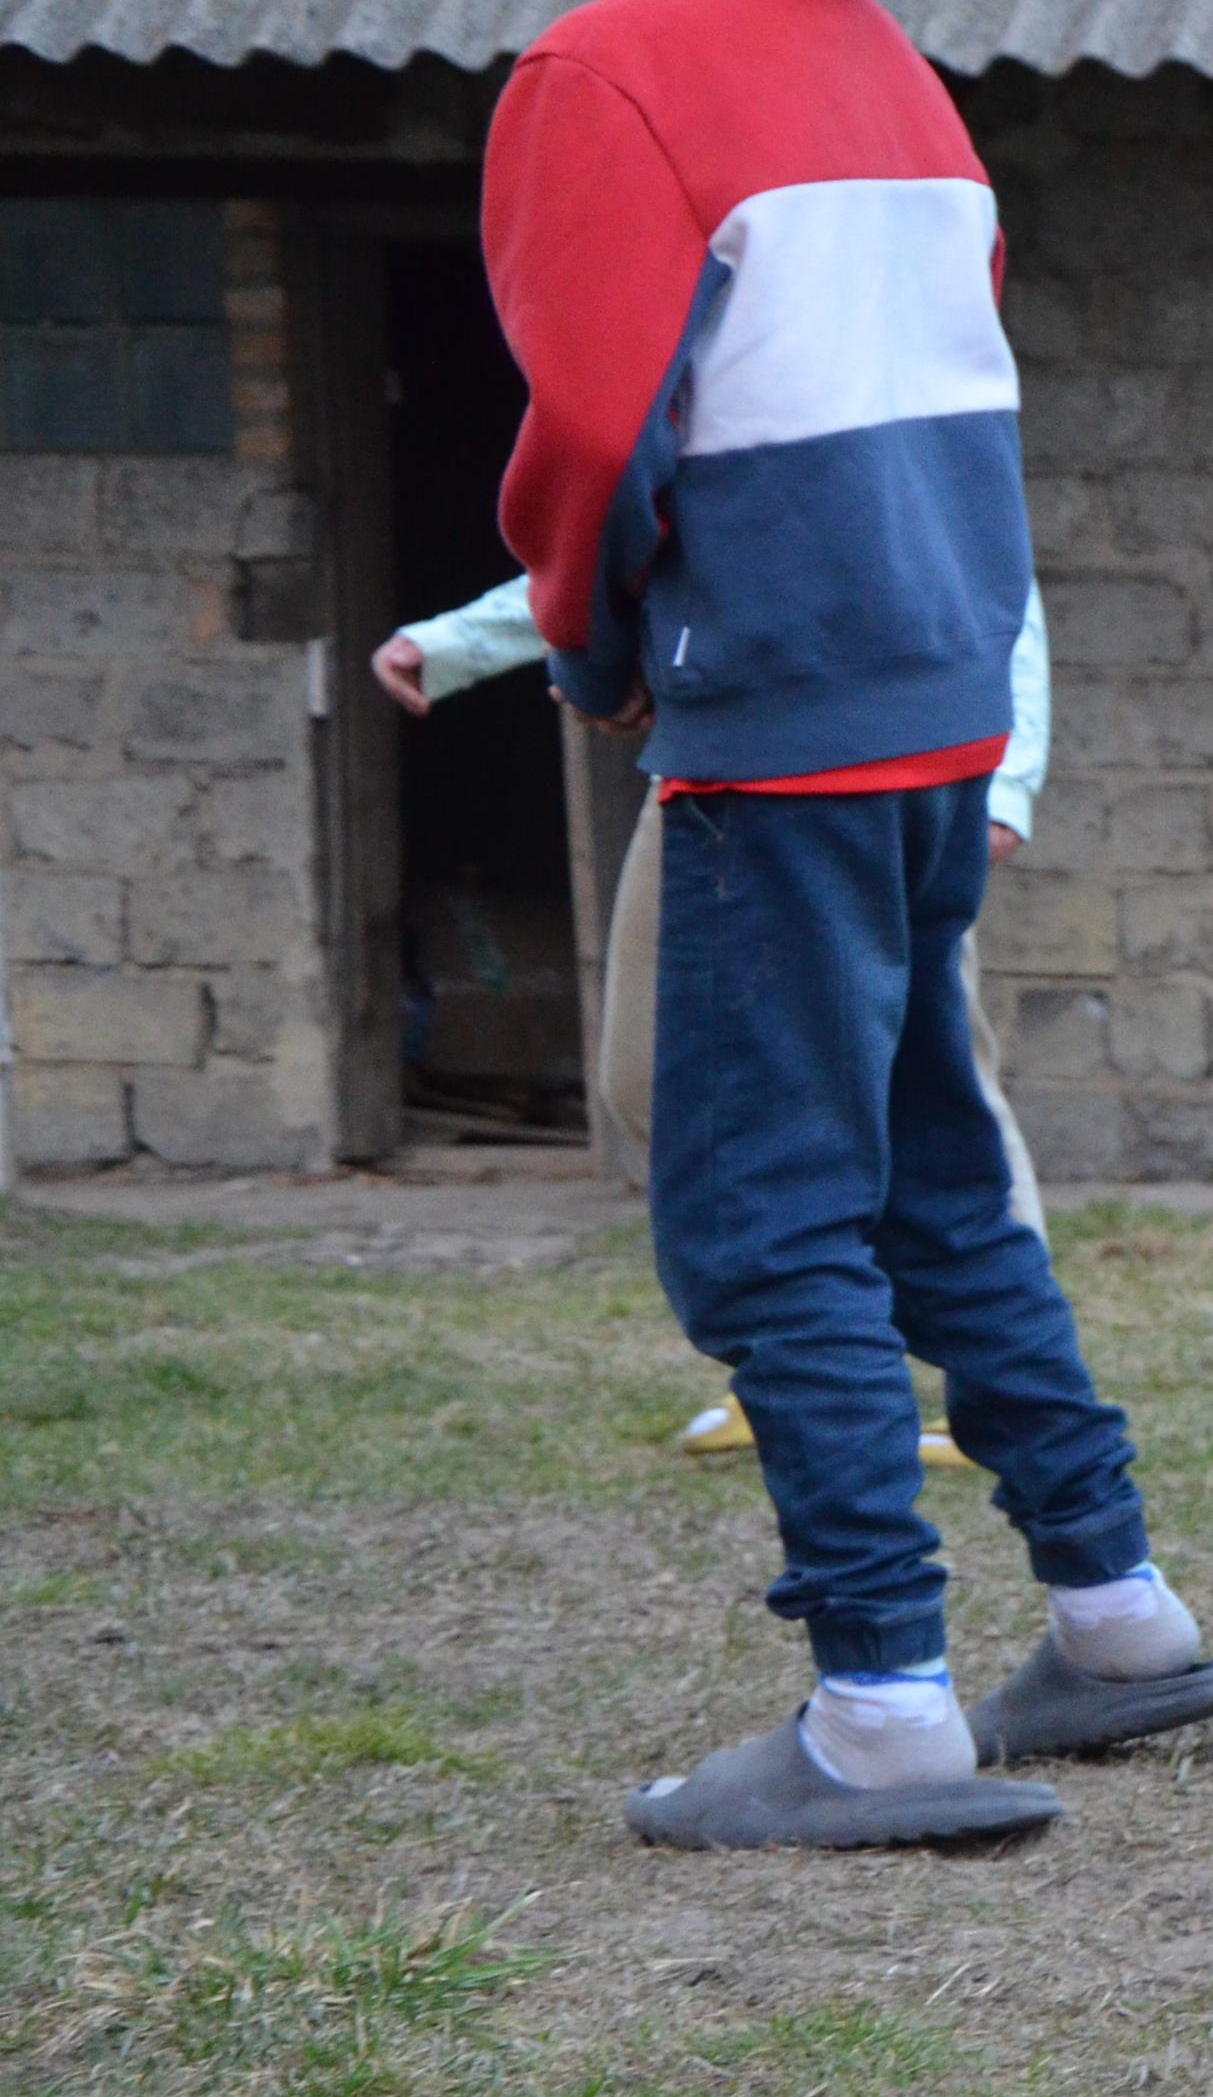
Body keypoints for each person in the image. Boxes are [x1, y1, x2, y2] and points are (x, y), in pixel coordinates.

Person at [490, 0, 1213, 1846]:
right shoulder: (892, 79)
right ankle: (1115, 1610)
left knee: (763, 1226)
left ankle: (880, 1709)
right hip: (936, 707)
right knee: (935, 1166)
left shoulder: (602, 72)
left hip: (788, 724)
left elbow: (583, 428)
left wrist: (589, 644)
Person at [379, 577, 1055, 1467]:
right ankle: (800, 1370)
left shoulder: (908, 440)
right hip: (717, 773)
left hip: (888, 766)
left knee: (935, 1091)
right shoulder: (703, 439)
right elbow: (619, 528)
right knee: (653, 1080)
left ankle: (1009, 1394)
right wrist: (465, 640)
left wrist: (1008, 780)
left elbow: (992, 571)